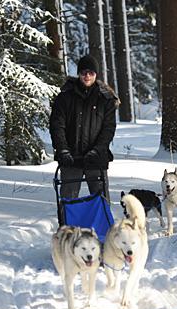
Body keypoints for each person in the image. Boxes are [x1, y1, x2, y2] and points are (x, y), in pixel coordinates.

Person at [49, 54, 119, 200]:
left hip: (96, 159)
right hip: (70, 158)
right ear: (79, 73)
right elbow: (57, 125)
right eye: (83, 72)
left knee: (101, 201)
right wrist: (62, 149)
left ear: (96, 74)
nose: (87, 76)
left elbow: (108, 129)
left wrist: (97, 150)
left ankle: (101, 224)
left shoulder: (106, 99)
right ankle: (67, 223)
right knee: (68, 201)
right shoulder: (65, 97)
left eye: (91, 73)